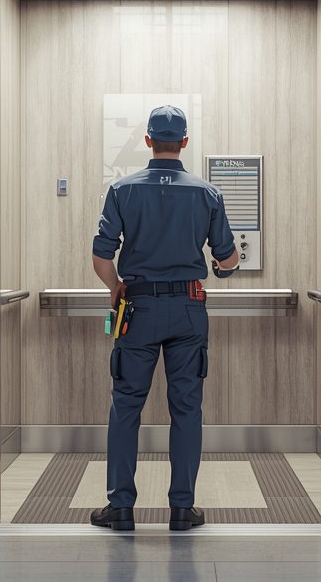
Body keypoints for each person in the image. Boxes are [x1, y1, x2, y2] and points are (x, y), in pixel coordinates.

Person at [89, 104, 239, 532]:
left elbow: (102, 256)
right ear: (185, 143)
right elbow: (226, 258)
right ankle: (181, 509)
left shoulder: (122, 190)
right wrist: (226, 265)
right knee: (187, 409)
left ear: (149, 141)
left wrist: (117, 289)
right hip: (189, 310)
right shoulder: (207, 194)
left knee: (126, 407)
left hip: (137, 309)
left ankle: (120, 508)